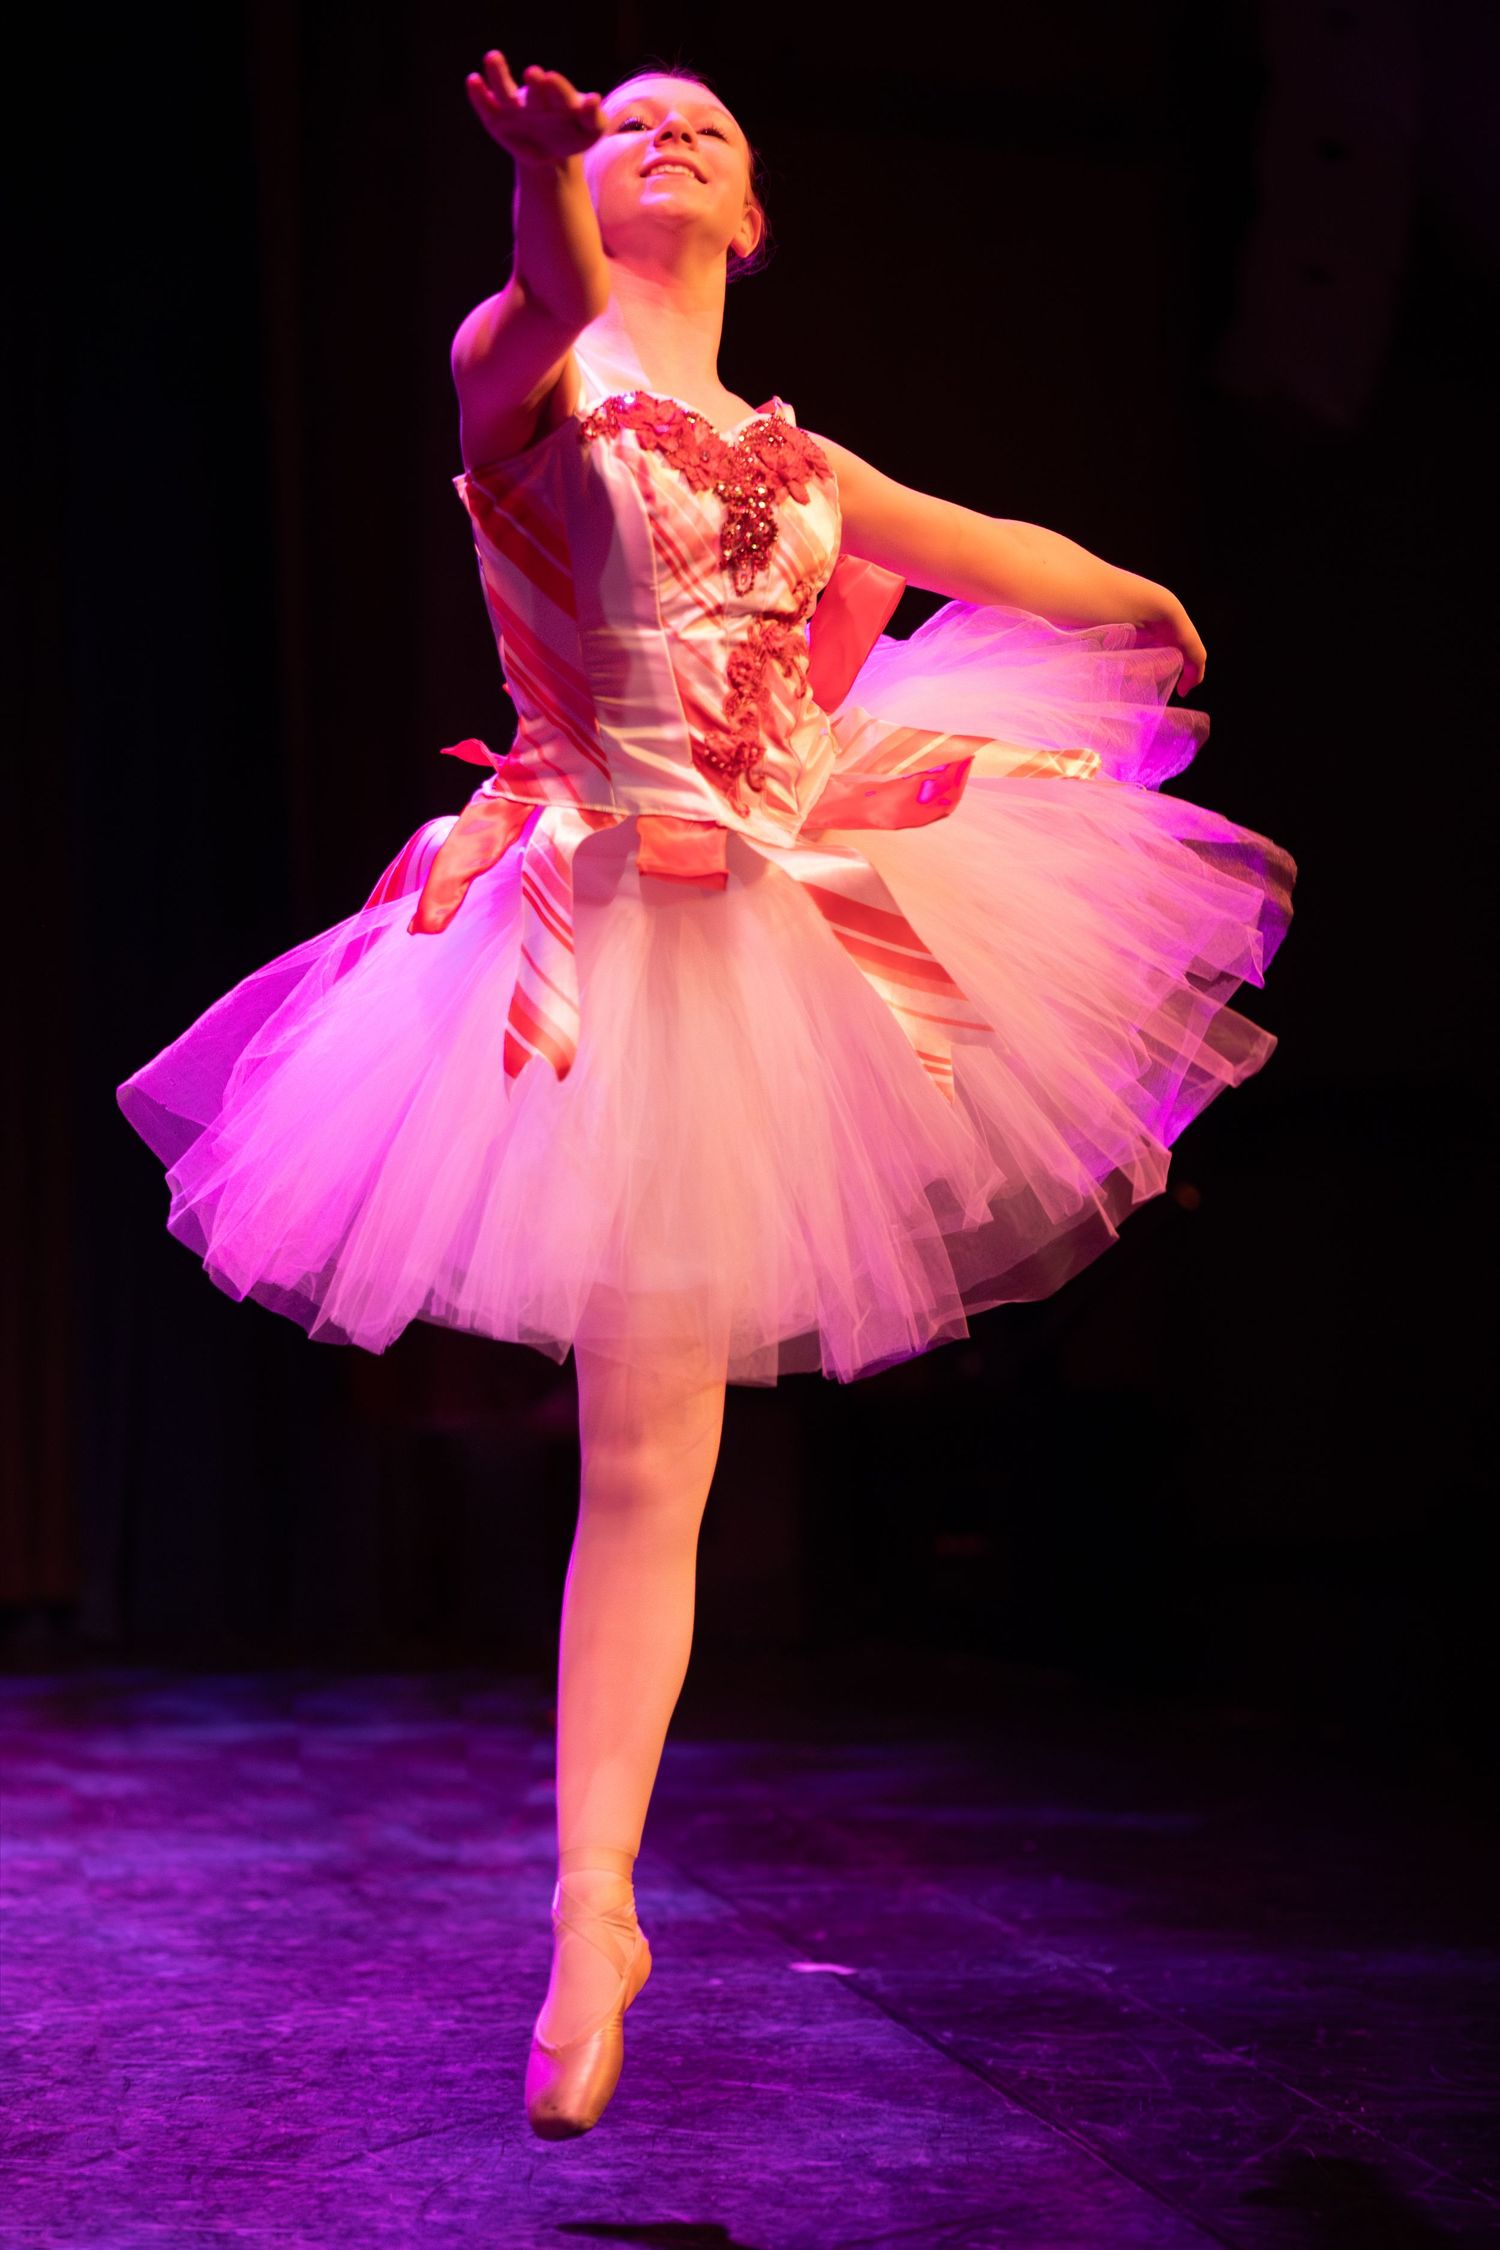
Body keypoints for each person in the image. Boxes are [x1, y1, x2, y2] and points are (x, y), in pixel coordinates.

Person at [116, 51, 1297, 2139]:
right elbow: (549, 306)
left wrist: (1123, 590)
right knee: (634, 1459)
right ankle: (592, 1909)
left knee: (671, 1463)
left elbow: (976, 543)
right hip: (595, 929)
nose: (664, 135)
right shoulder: (524, 366)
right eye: (631, 119)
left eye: (709, 127)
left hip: (779, 913)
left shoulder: (797, 453)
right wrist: (538, 188)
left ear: (755, 220)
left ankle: (602, 1902)